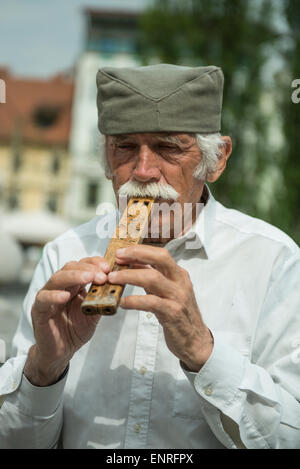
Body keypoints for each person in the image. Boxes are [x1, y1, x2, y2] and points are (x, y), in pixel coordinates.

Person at [0, 64, 300, 449]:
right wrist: (44, 368)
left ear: (217, 159)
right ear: (106, 159)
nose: (143, 171)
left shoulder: (273, 261)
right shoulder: (65, 253)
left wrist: (202, 352)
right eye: (125, 146)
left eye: (169, 147)